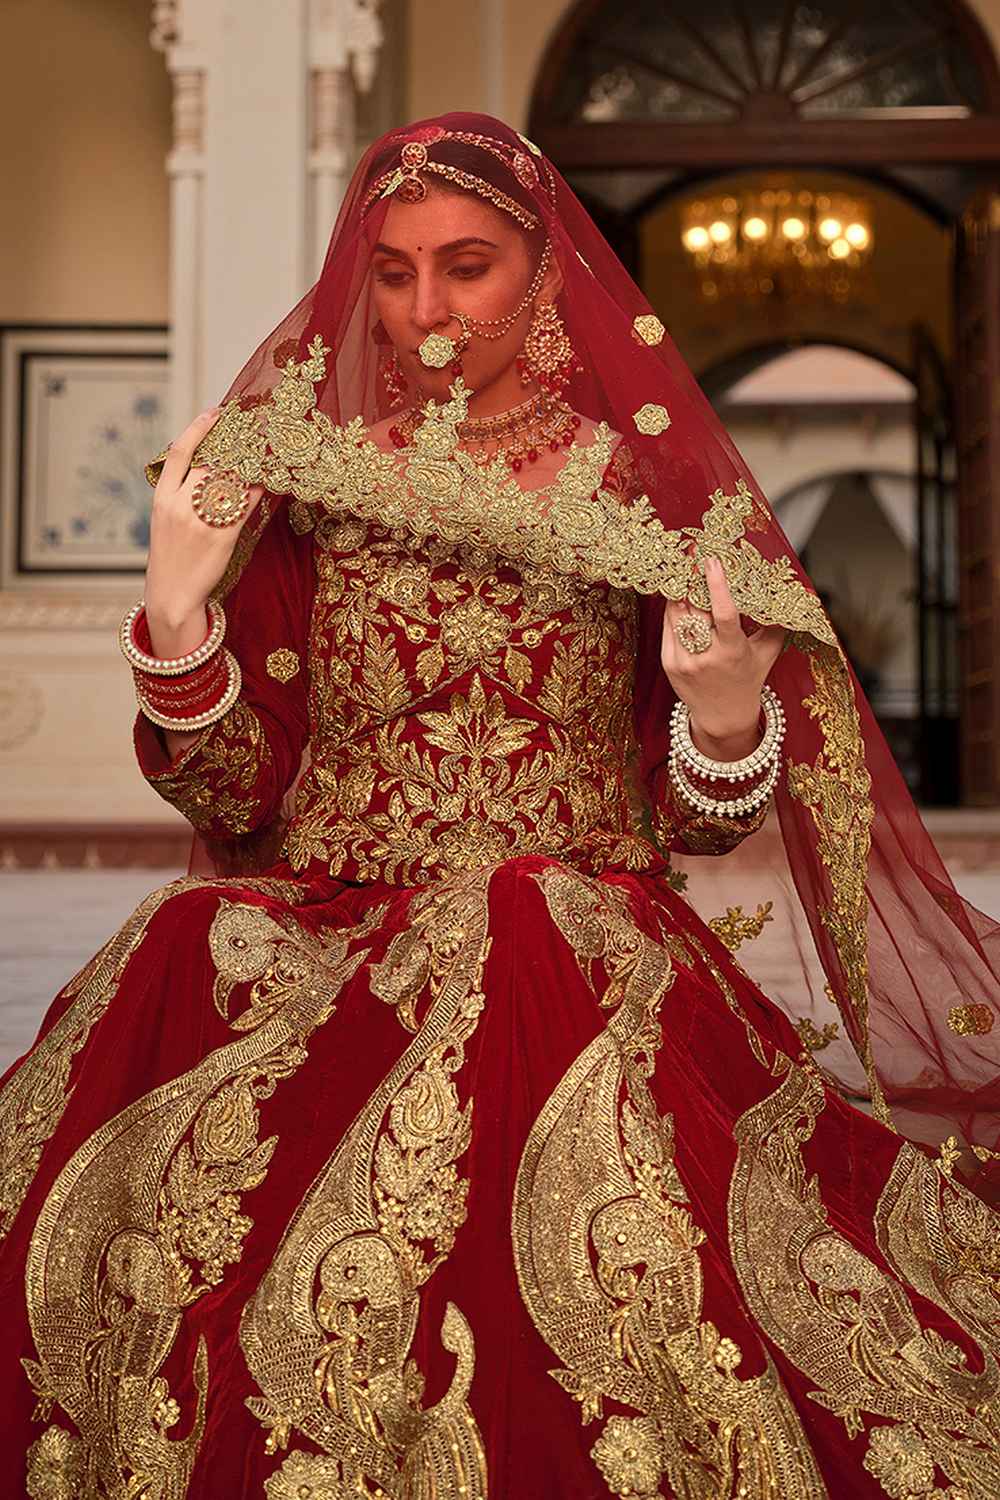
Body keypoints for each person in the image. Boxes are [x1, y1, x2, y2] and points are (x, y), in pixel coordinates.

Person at [1, 114, 998, 1500]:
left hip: (569, 921)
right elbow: (235, 789)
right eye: (395, 273)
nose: (426, 310)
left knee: (520, 923)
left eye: (467, 265)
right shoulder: (306, 486)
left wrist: (718, 713)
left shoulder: (641, 493)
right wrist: (176, 605)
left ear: (544, 267)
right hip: (328, 919)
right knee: (186, 939)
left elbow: (697, 816)